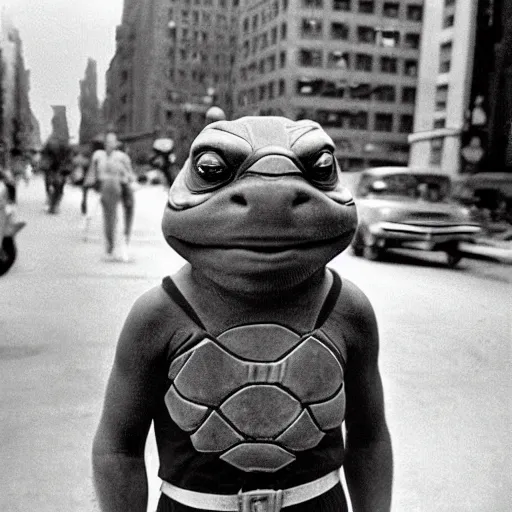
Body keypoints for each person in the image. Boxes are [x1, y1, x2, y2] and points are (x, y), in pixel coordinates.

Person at [92, 117, 393, 512]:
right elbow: (118, 449)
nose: (273, 199)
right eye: (214, 171)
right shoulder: (159, 315)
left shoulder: (347, 308)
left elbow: (369, 437)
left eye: (318, 169)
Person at [88, 131, 136, 261]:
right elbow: (92, 173)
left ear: (116, 144)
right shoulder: (98, 156)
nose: (109, 145)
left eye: (112, 142)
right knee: (109, 217)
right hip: (106, 188)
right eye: (107, 142)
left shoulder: (122, 157)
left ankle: (124, 240)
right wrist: (89, 184)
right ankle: (110, 243)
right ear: (104, 144)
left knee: (126, 210)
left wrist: (127, 177)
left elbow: (130, 174)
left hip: (120, 185)